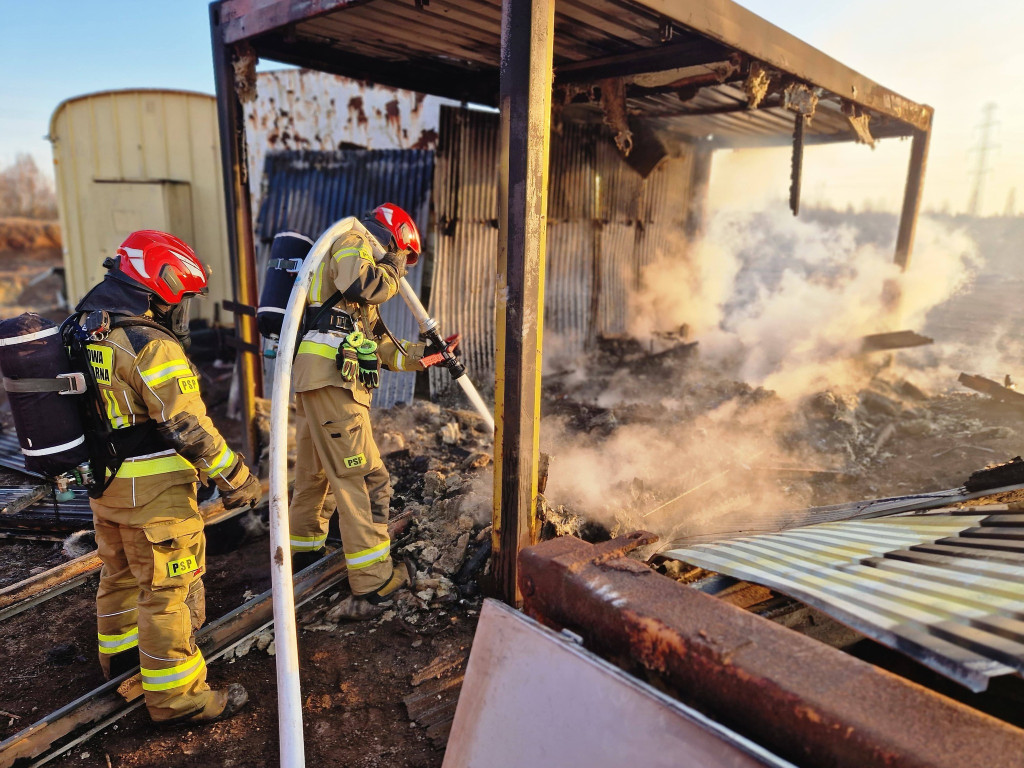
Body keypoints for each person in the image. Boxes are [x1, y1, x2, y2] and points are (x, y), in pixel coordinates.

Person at [70, 230, 263, 724]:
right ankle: (179, 701)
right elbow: (187, 425)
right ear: (158, 286)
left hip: (107, 486)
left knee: (118, 578)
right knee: (167, 596)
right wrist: (236, 477)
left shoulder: (84, 326)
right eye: (178, 298)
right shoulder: (148, 343)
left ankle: (119, 665)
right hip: (155, 497)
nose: (182, 309)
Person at [289, 203, 448, 620]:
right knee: (363, 479)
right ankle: (374, 579)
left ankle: (303, 553)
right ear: (395, 238)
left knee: (316, 475)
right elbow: (363, 283)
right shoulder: (354, 240)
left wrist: (426, 356)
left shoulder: (352, 303)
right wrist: (392, 267)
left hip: (318, 381)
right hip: (331, 382)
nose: (401, 268)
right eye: (402, 257)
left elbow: (380, 347)